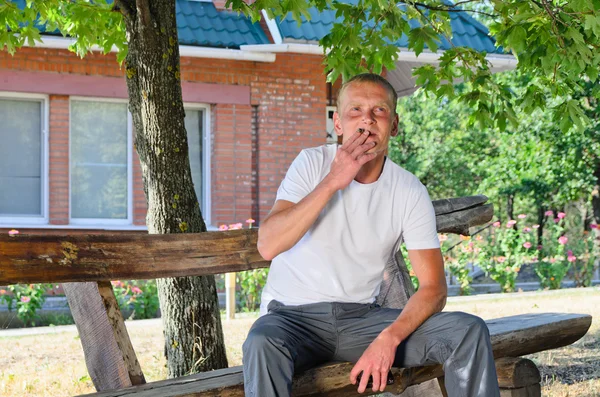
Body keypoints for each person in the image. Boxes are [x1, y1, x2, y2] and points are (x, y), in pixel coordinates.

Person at [242, 73, 499, 397]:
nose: (367, 119)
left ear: (393, 125)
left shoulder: (407, 190)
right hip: (291, 320)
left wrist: (389, 338)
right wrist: (334, 180)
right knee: (261, 342)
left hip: (362, 320)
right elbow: (268, 245)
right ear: (338, 123)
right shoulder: (311, 164)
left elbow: (434, 289)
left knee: (467, 331)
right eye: (355, 110)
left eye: (379, 111)